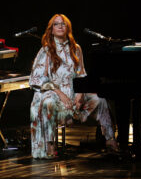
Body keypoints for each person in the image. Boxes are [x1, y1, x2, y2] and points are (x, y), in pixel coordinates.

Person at [29, 14, 118, 159]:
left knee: (99, 99)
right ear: (51, 30)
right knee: (49, 103)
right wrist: (61, 94)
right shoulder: (46, 50)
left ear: (68, 28)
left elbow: (81, 74)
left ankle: (110, 141)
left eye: (63, 24)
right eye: (56, 24)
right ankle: (50, 145)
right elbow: (39, 77)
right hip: (53, 93)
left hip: (73, 91)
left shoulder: (76, 48)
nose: (60, 26)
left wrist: (80, 93)